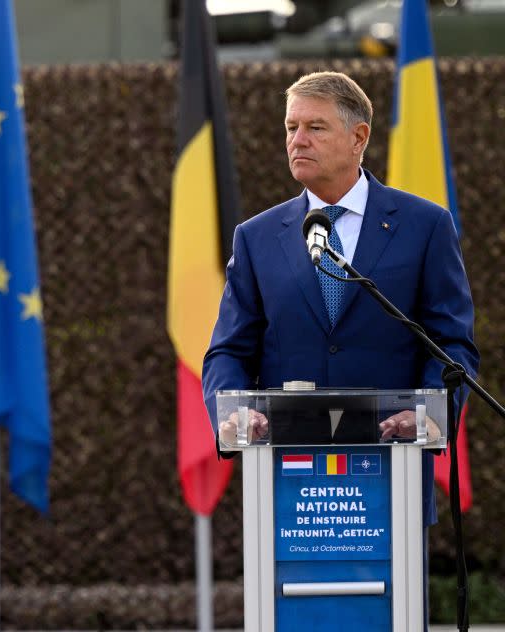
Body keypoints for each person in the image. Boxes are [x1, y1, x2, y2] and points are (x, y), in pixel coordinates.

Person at [201, 71, 478, 622]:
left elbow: (452, 347)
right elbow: (227, 351)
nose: (297, 140)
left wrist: (422, 412)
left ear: (359, 138)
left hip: (387, 486)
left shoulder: (424, 226)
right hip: (288, 487)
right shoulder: (257, 238)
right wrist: (232, 412)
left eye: (315, 127)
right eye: (291, 127)